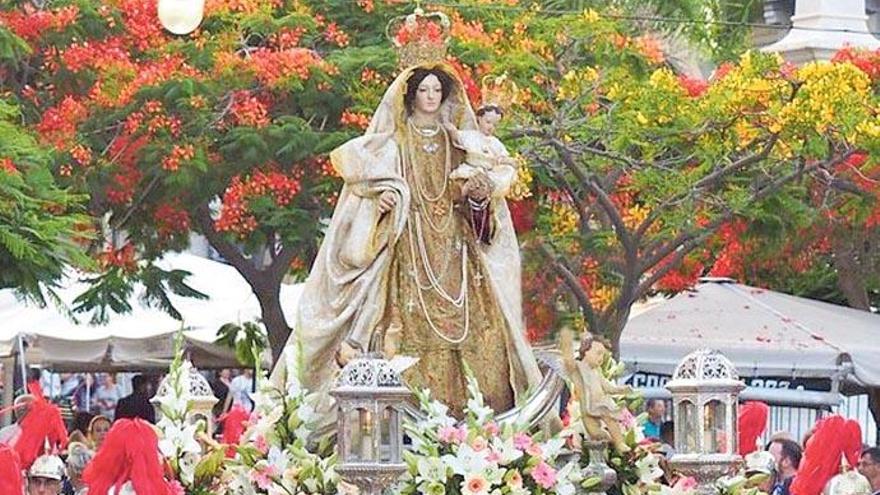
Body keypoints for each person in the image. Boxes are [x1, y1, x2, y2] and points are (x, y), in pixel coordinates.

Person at [272, 61, 543, 420]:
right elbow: (365, 186)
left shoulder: (459, 141)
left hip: (456, 250)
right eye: (423, 90)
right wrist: (381, 200)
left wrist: (479, 193)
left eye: (436, 90)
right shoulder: (393, 141)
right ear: (410, 95)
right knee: (397, 327)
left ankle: (475, 423)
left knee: (480, 332)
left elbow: (481, 193)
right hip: (408, 247)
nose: (430, 97)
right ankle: (399, 422)